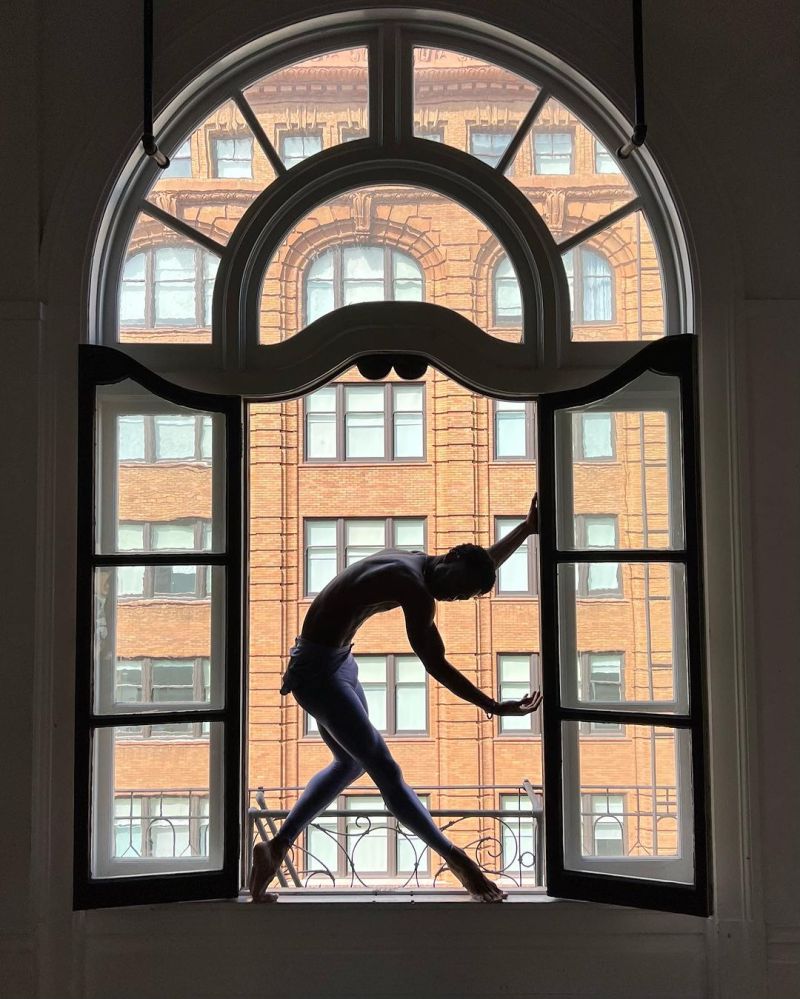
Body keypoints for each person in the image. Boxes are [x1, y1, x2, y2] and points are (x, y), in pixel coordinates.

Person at [250, 493, 543, 903]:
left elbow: (480, 563)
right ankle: (458, 860)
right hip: (316, 674)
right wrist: (493, 706)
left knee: (351, 761)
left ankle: (276, 846)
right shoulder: (413, 586)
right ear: (450, 559)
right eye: (456, 589)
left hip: (336, 662)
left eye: (462, 597)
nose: (452, 598)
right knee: (384, 769)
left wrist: (526, 530)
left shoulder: (421, 561)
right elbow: (435, 663)